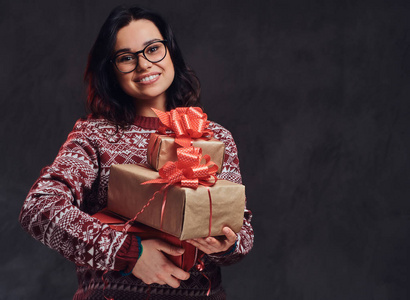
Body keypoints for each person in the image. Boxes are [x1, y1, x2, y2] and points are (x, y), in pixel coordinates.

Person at [19, 5, 253, 300]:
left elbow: (242, 234)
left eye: (153, 49)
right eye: (127, 58)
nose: (144, 65)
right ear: (111, 70)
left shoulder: (215, 137)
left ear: (171, 53)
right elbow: (39, 209)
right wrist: (129, 253)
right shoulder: (95, 135)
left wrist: (226, 244)